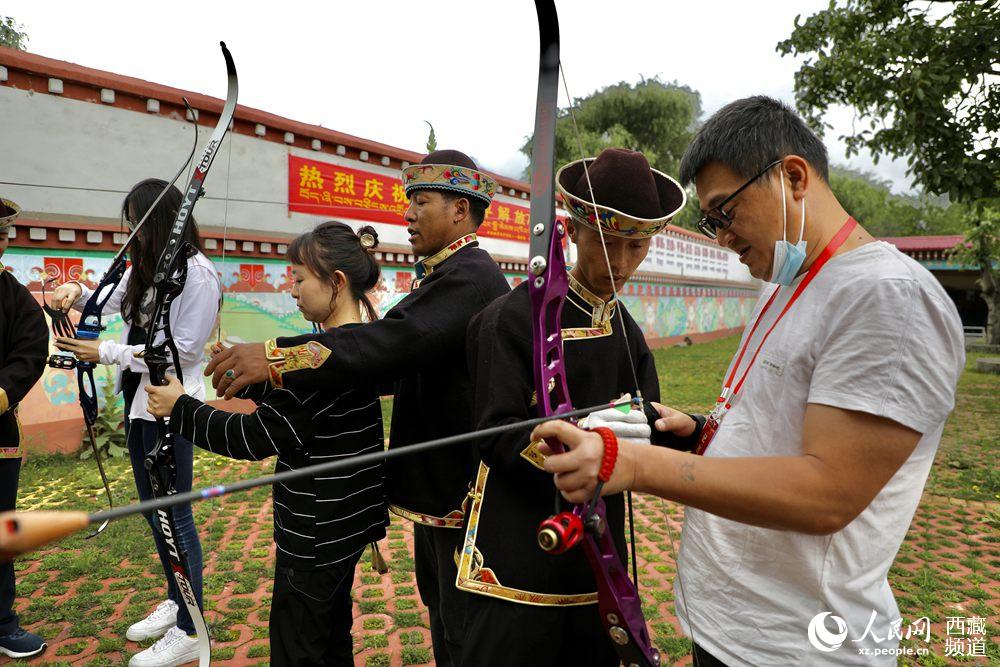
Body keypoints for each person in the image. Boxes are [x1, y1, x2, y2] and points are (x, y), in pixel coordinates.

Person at [532, 96, 965, 666]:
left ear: (792, 177)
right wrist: (699, 431)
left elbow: (827, 494)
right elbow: (783, 426)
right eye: (710, 223)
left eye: (725, 213)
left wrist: (631, 464)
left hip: (798, 646)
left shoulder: (888, 297)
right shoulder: (786, 283)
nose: (720, 238)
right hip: (737, 629)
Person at [203, 150, 511, 665]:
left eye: (422, 201)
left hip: (465, 498)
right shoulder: (445, 277)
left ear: (460, 209)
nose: (408, 214)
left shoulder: (470, 278)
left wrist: (276, 356)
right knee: (443, 619)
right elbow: (386, 360)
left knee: (462, 633)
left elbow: (388, 343)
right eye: (408, 201)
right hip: (443, 496)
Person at [458, 148, 689, 666]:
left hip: (599, 552)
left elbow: (644, 418)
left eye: (637, 246)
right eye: (610, 244)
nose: (624, 264)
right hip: (518, 551)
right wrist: (581, 444)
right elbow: (496, 436)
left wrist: (651, 428)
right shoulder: (512, 319)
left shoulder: (626, 329)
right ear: (573, 231)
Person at [146, 221, 388, 666]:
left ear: (336, 282)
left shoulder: (315, 359)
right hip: (347, 526)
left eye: (299, 279)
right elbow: (302, 419)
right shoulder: (356, 345)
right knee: (331, 635)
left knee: (298, 648)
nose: (292, 291)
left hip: (315, 536)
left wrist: (180, 408)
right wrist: (253, 380)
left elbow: (254, 438)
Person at [50, 179, 221, 667]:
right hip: (139, 402)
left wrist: (104, 351)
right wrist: (76, 291)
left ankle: (191, 630)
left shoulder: (198, 275)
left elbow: (181, 352)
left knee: (175, 513)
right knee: (154, 510)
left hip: (172, 406)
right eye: (131, 226)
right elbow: (103, 301)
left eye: (141, 225)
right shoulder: (146, 268)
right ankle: (177, 597)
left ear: (164, 222)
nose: (134, 234)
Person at [0, 198, 49, 660]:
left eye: (3, 234)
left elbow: (31, 350)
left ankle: (3, 622)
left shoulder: (14, 296)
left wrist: (2, 391)